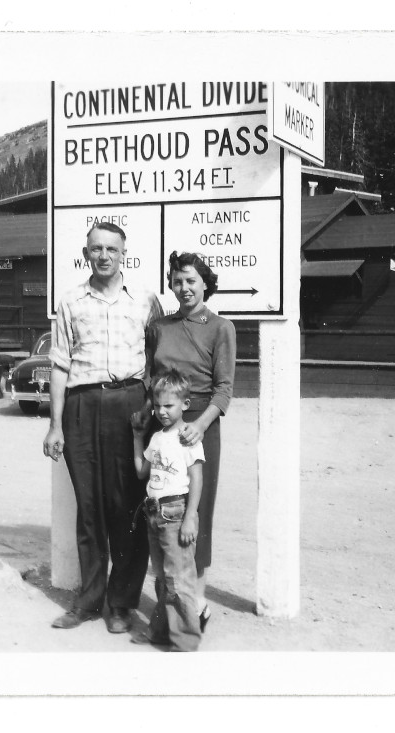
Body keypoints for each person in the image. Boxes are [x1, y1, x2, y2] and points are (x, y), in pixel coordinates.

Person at [43, 221, 163, 634]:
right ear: (86, 253)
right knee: (89, 507)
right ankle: (89, 600)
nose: (104, 256)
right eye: (96, 249)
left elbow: (158, 361)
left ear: (124, 254)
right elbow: (59, 365)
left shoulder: (146, 301)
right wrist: (55, 426)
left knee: (127, 505)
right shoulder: (71, 301)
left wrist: (149, 407)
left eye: (112, 249)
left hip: (129, 406)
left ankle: (121, 604)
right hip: (81, 405)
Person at [143, 251, 236, 633]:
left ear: (205, 284)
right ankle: (169, 600)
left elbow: (225, 388)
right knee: (162, 508)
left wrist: (198, 424)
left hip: (201, 426)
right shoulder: (161, 327)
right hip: (163, 422)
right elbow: (150, 376)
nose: (184, 288)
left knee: (197, 513)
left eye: (191, 281)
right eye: (178, 281)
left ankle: (196, 602)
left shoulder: (220, 328)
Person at [130, 370, 204, 651]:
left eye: (169, 406)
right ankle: (162, 632)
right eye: (158, 405)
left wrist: (189, 519)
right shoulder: (157, 438)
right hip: (153, 512)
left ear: (185, 404)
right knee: (162, 579)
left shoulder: (188, 437)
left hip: (176, 512)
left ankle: (185, 640)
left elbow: (196, 479)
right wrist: (138, 437)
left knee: (179, 578)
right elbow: (141, 473)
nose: (162, 411)